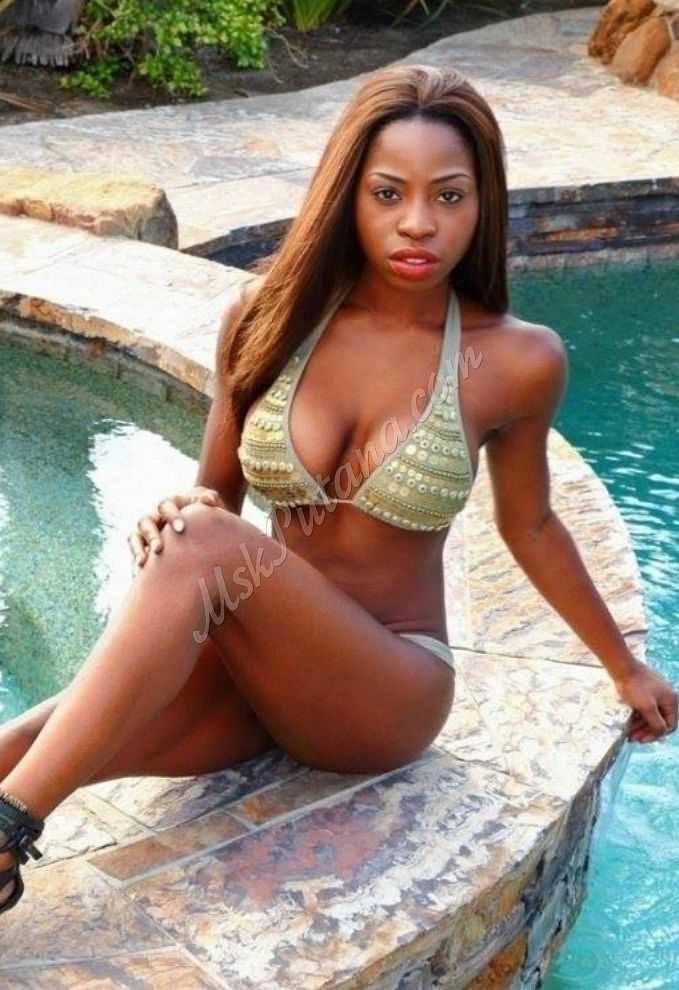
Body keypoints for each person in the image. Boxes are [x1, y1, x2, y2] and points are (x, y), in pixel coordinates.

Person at [0, 63, 676, 917]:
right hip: (262, 670)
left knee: (194, 561)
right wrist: (179, 516)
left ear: (483, 204)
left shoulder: (514, 358)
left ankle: (9, 833)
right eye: (388, 194)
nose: (418, 222)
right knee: (24, 740)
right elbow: (215, 502)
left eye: (449, 196)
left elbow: (531, 523)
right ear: (347, 195)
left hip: (386, 689)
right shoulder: (265, 318)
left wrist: (623, 666)